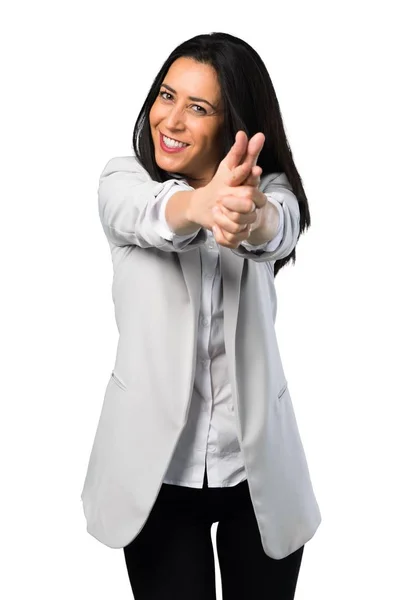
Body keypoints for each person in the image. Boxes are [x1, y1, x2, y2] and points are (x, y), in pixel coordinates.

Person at [80, 32, 322, 600]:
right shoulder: (124, 180)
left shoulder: (269, 190)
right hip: (156, 475)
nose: (172, 119)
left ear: (233, 122)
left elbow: (274, 227)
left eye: (199, 107)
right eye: (167, 96)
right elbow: (151, 213)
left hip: (256, 473)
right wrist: (201, 204)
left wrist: (248, 216)